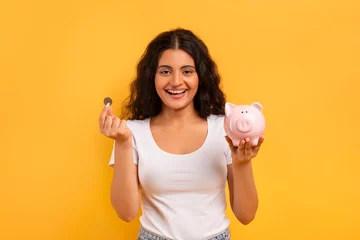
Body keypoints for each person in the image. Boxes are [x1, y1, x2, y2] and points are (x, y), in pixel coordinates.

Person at [99, 28, 264, 240]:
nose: (176, 82)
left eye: (187, 71)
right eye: (165, 71)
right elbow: (126, 213)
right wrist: (122, 143)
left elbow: (246, 215)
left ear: (200, 77)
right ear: (152, 77)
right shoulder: (131, 132)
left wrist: (242, 163)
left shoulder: (223, 128)